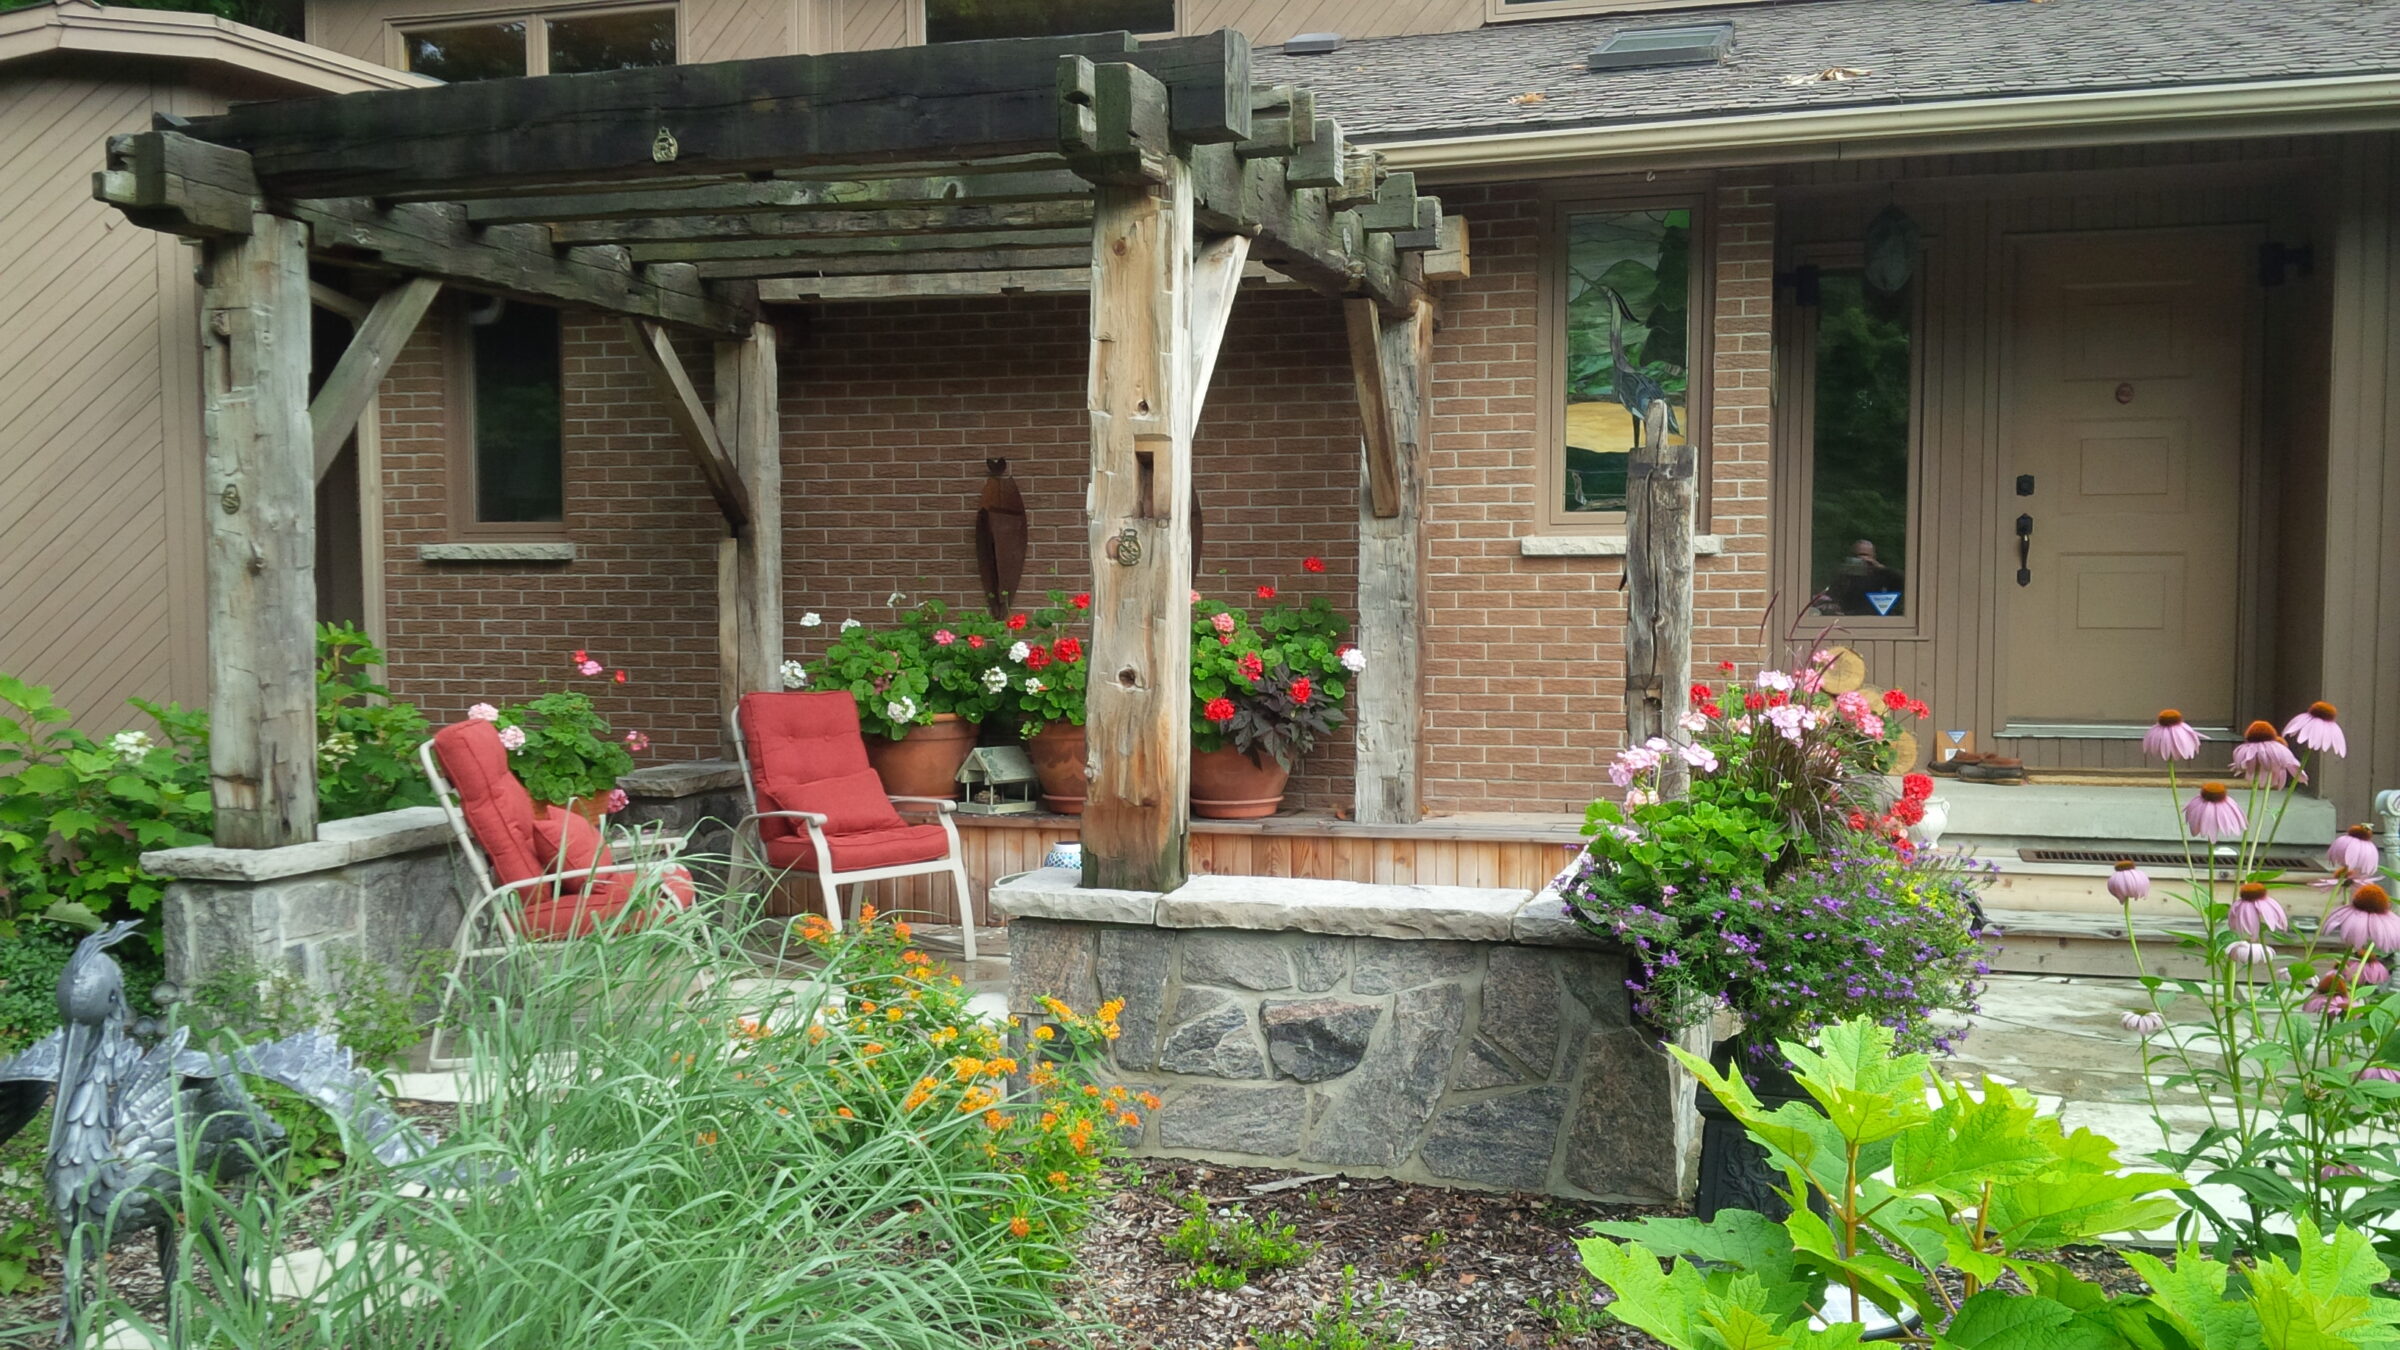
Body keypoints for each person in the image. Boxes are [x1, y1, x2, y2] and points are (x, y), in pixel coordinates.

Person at [1823, 539, 1903, 616]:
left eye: (1865, 555)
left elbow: (1904, 582)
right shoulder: (1845, 577)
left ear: (1873, 556)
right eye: (1856, 555)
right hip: (1849, 617)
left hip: (1877, 618)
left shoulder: (1883, 575)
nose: (1860, 558)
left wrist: (1880, 567)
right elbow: (1831, 597)